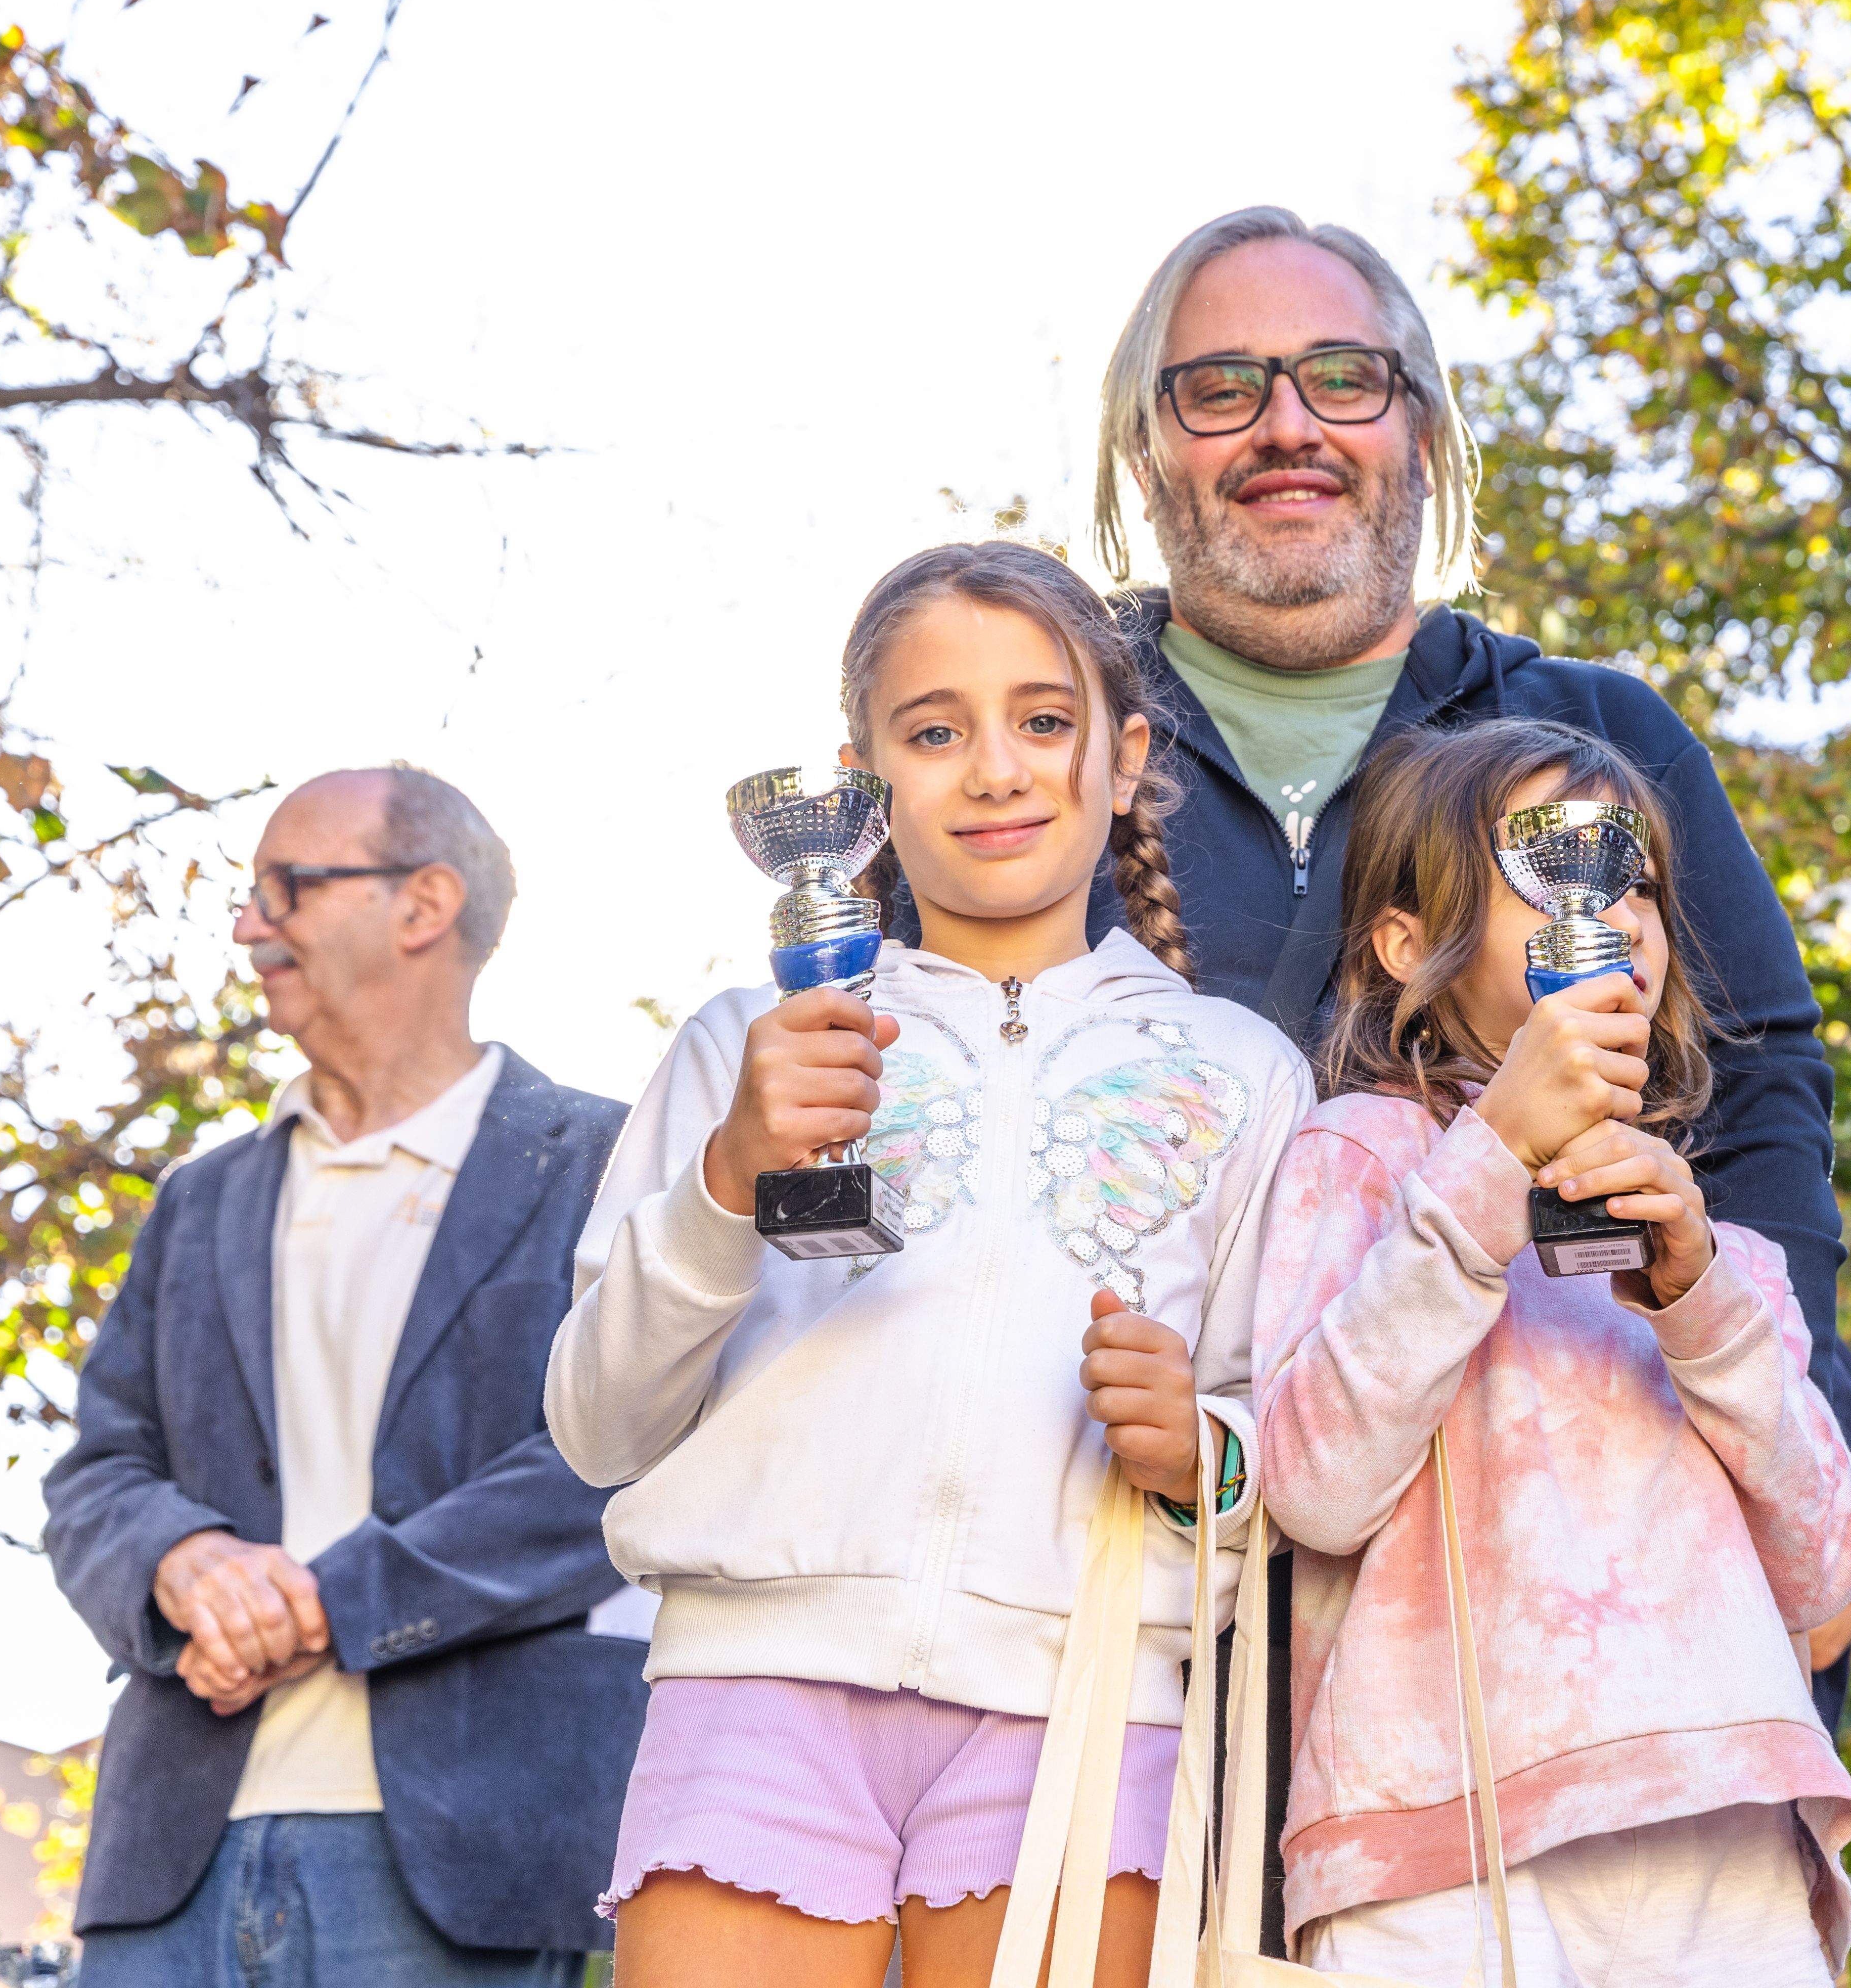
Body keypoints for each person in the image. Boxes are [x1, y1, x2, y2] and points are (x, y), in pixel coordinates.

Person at [1074, 207, 1851, 1723]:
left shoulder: (1598, 736)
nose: (1290, 425)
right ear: (1143, 447)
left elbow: (1763, 1097)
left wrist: (1806, 1451)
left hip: (1547, 1628)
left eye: (1343, 377)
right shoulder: (1036, 738)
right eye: (1221, 387)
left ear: (1426, 431)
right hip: (1108, 1575)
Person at [548, 541, 1311, 1988]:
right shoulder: (743, 1046)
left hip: (1090, 1697)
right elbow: (596, 1425)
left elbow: (1305, 1442)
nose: (996, 769)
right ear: (862, 786)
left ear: (1127, 757)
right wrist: (728, 1180)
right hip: (755, 1686)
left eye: (1043, 719)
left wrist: (1200, 1448)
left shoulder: (1247, 1073)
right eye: (936, 731)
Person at [1252, 718, 1851, 1986]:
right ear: (1408, 943)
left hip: (1725, 1823)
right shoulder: (1363, 1157)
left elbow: (1828, 1568)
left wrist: (1697, 1297)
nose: (1612, 911)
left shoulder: (1718, 1239)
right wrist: (1489, 1169)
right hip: (1442, 1843)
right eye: (1550, 868)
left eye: (1633, 879)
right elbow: (1313, 1485)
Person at [41, 766, 645, 1986]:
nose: (249, 924)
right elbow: (97, 1471)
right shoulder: (198, 1199)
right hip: (171, 1858)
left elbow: (620, 1457)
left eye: (288, 887)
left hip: (463, 1856)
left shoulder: (609, 1158)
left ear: (424, 903)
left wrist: (326, 1602)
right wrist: (180, 1560)